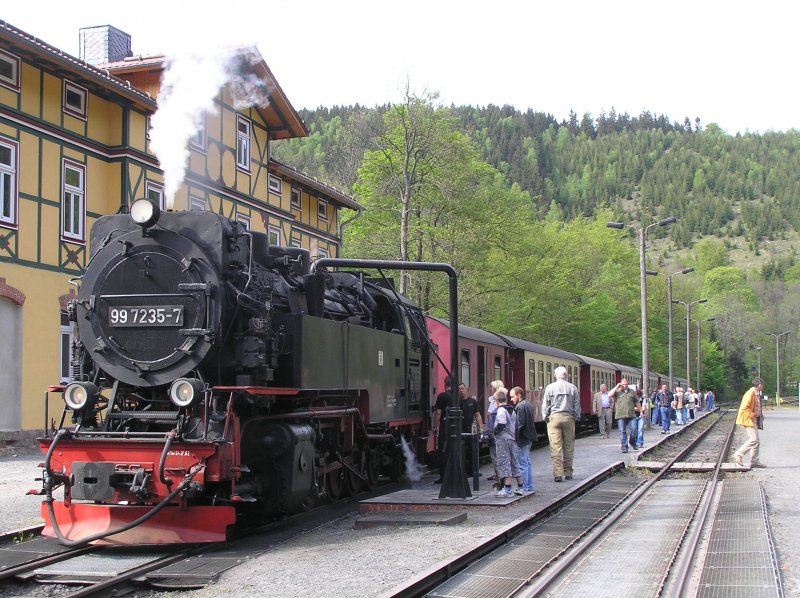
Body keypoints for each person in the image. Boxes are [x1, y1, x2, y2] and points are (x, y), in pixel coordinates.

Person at [543, 366, 581, 482]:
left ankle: (558, 474)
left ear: (556, 375)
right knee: (569, 446)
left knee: (556, 447)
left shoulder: (550, 387)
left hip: (554, 418)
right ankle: (568, 472)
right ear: (566, 375)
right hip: (568, 418)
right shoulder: (572, 388)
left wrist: (545, 416)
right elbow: (577, 405)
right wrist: (576, 416)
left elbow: (546, 404)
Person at [492, 390, 524, 497]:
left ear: (496, 402)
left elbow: (501, 423)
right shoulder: (512, 410)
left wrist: (494, 432)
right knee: (514, 462)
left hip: (503, 440)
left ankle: (507, 489)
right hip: (511, 438)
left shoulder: (501, 410)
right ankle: (520, 487)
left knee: (504, 462)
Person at [733, 378, 766, 468]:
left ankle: (754, 461)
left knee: (757, 441)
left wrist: (760, 415)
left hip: (753, 420)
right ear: (759, 385)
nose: (763, 387)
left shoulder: (755, 394)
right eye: (762, 385)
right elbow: (744, 408)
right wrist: (753, 414)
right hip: (748, 420)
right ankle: (739, 454)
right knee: (754, 439)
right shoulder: (750, 393)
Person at [510, 386, 536, 494]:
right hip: (529, 436)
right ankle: (529, 485)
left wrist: (514, 436)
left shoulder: (520, 407)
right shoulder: (528, 404)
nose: (511, 399)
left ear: (518, 395)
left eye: (512, 397)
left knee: (522, 463)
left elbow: (519, 424)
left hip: (522, 438)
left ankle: (524, 486)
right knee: (527, 462)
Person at [458, 383, 484, 477]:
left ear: (466, 389)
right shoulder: (457, 403)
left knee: (471, 451)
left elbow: (477, 415)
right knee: (462, 452)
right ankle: (464, 471)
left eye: (462, 389)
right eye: (459, 389)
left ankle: (473, 471)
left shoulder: (472, 402)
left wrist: (481, 428)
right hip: (460, 430)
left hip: (471, 430)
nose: (461, 391)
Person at [608, 378, 640, 453]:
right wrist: (616, 386)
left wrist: (641, 411)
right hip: (620, 415)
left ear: (628, 384)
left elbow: (637, 402)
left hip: (631, 415)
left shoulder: (632, 392)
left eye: (626, 384)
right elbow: (609, 395)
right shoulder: (617, 392)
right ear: (621, 384)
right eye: (623, 384)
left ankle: (632, 441)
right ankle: (624, 447)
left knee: (634, 429)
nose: (625, 386)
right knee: (622, 431)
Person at [432, 376, 453, 483]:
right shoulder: (457, 395)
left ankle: (443, 476)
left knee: (443, 450)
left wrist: (435, 426)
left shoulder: (442, 396)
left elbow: (438, 412)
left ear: (445, 385)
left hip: (445, 426)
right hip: (456, 426)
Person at [485, 381, 505, 487]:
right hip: (496, 435)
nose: (490, 389)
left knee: (496, 458)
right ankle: (500, 478)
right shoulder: (497, 403)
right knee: (498, 458)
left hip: (495, 435)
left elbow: (494, 418)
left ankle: (501, 481)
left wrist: (493, 433)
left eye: (492, 388)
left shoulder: (495, 404)